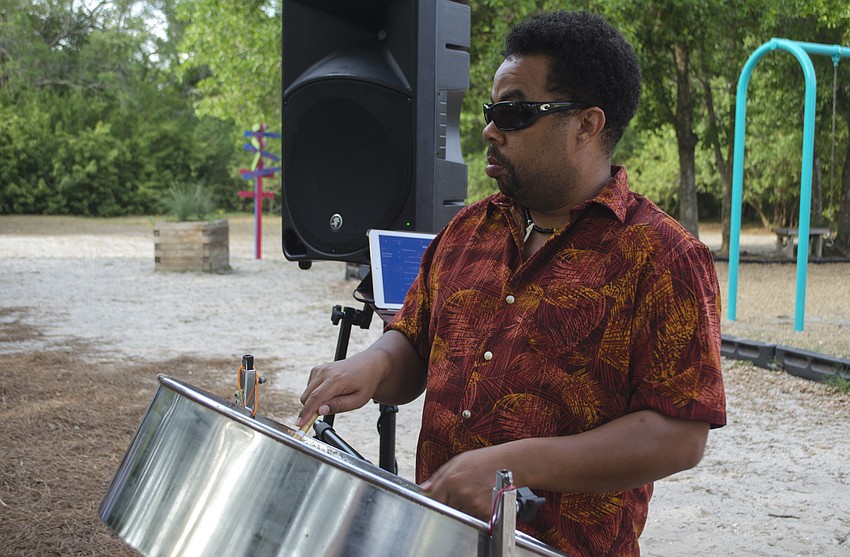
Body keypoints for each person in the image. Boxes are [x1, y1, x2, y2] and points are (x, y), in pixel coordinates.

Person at [298, 10, 726, 557]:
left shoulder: (663, 257)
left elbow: (679, 435)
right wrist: (372, 366)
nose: (488, 130)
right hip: (438, 541)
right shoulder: (465, 231)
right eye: (490, 110)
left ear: (587, 125)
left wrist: (511, 467)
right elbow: (414, 343)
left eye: (514, 112)